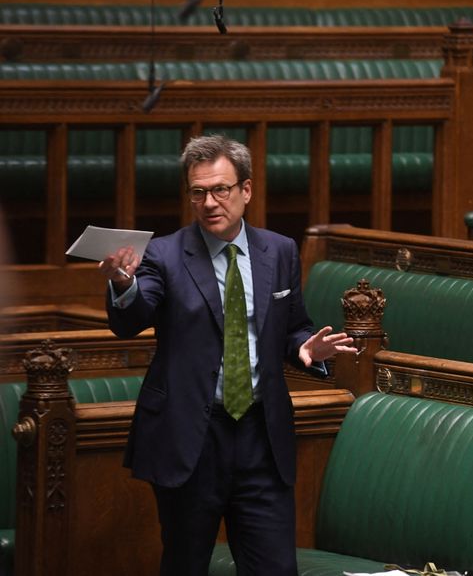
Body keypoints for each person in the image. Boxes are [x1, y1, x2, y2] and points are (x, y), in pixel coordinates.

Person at [99, 135, 356, 576]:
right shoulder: (163, 254)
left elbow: (294, 325)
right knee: (186, 564)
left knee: (275, 567)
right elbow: (131, 320)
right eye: (198, 192)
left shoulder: (279, 250)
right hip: (192, 438)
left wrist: (305, 347)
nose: (209, 202)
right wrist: (124, 285)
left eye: (220, 189)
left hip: (261, 436)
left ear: (246, 190)